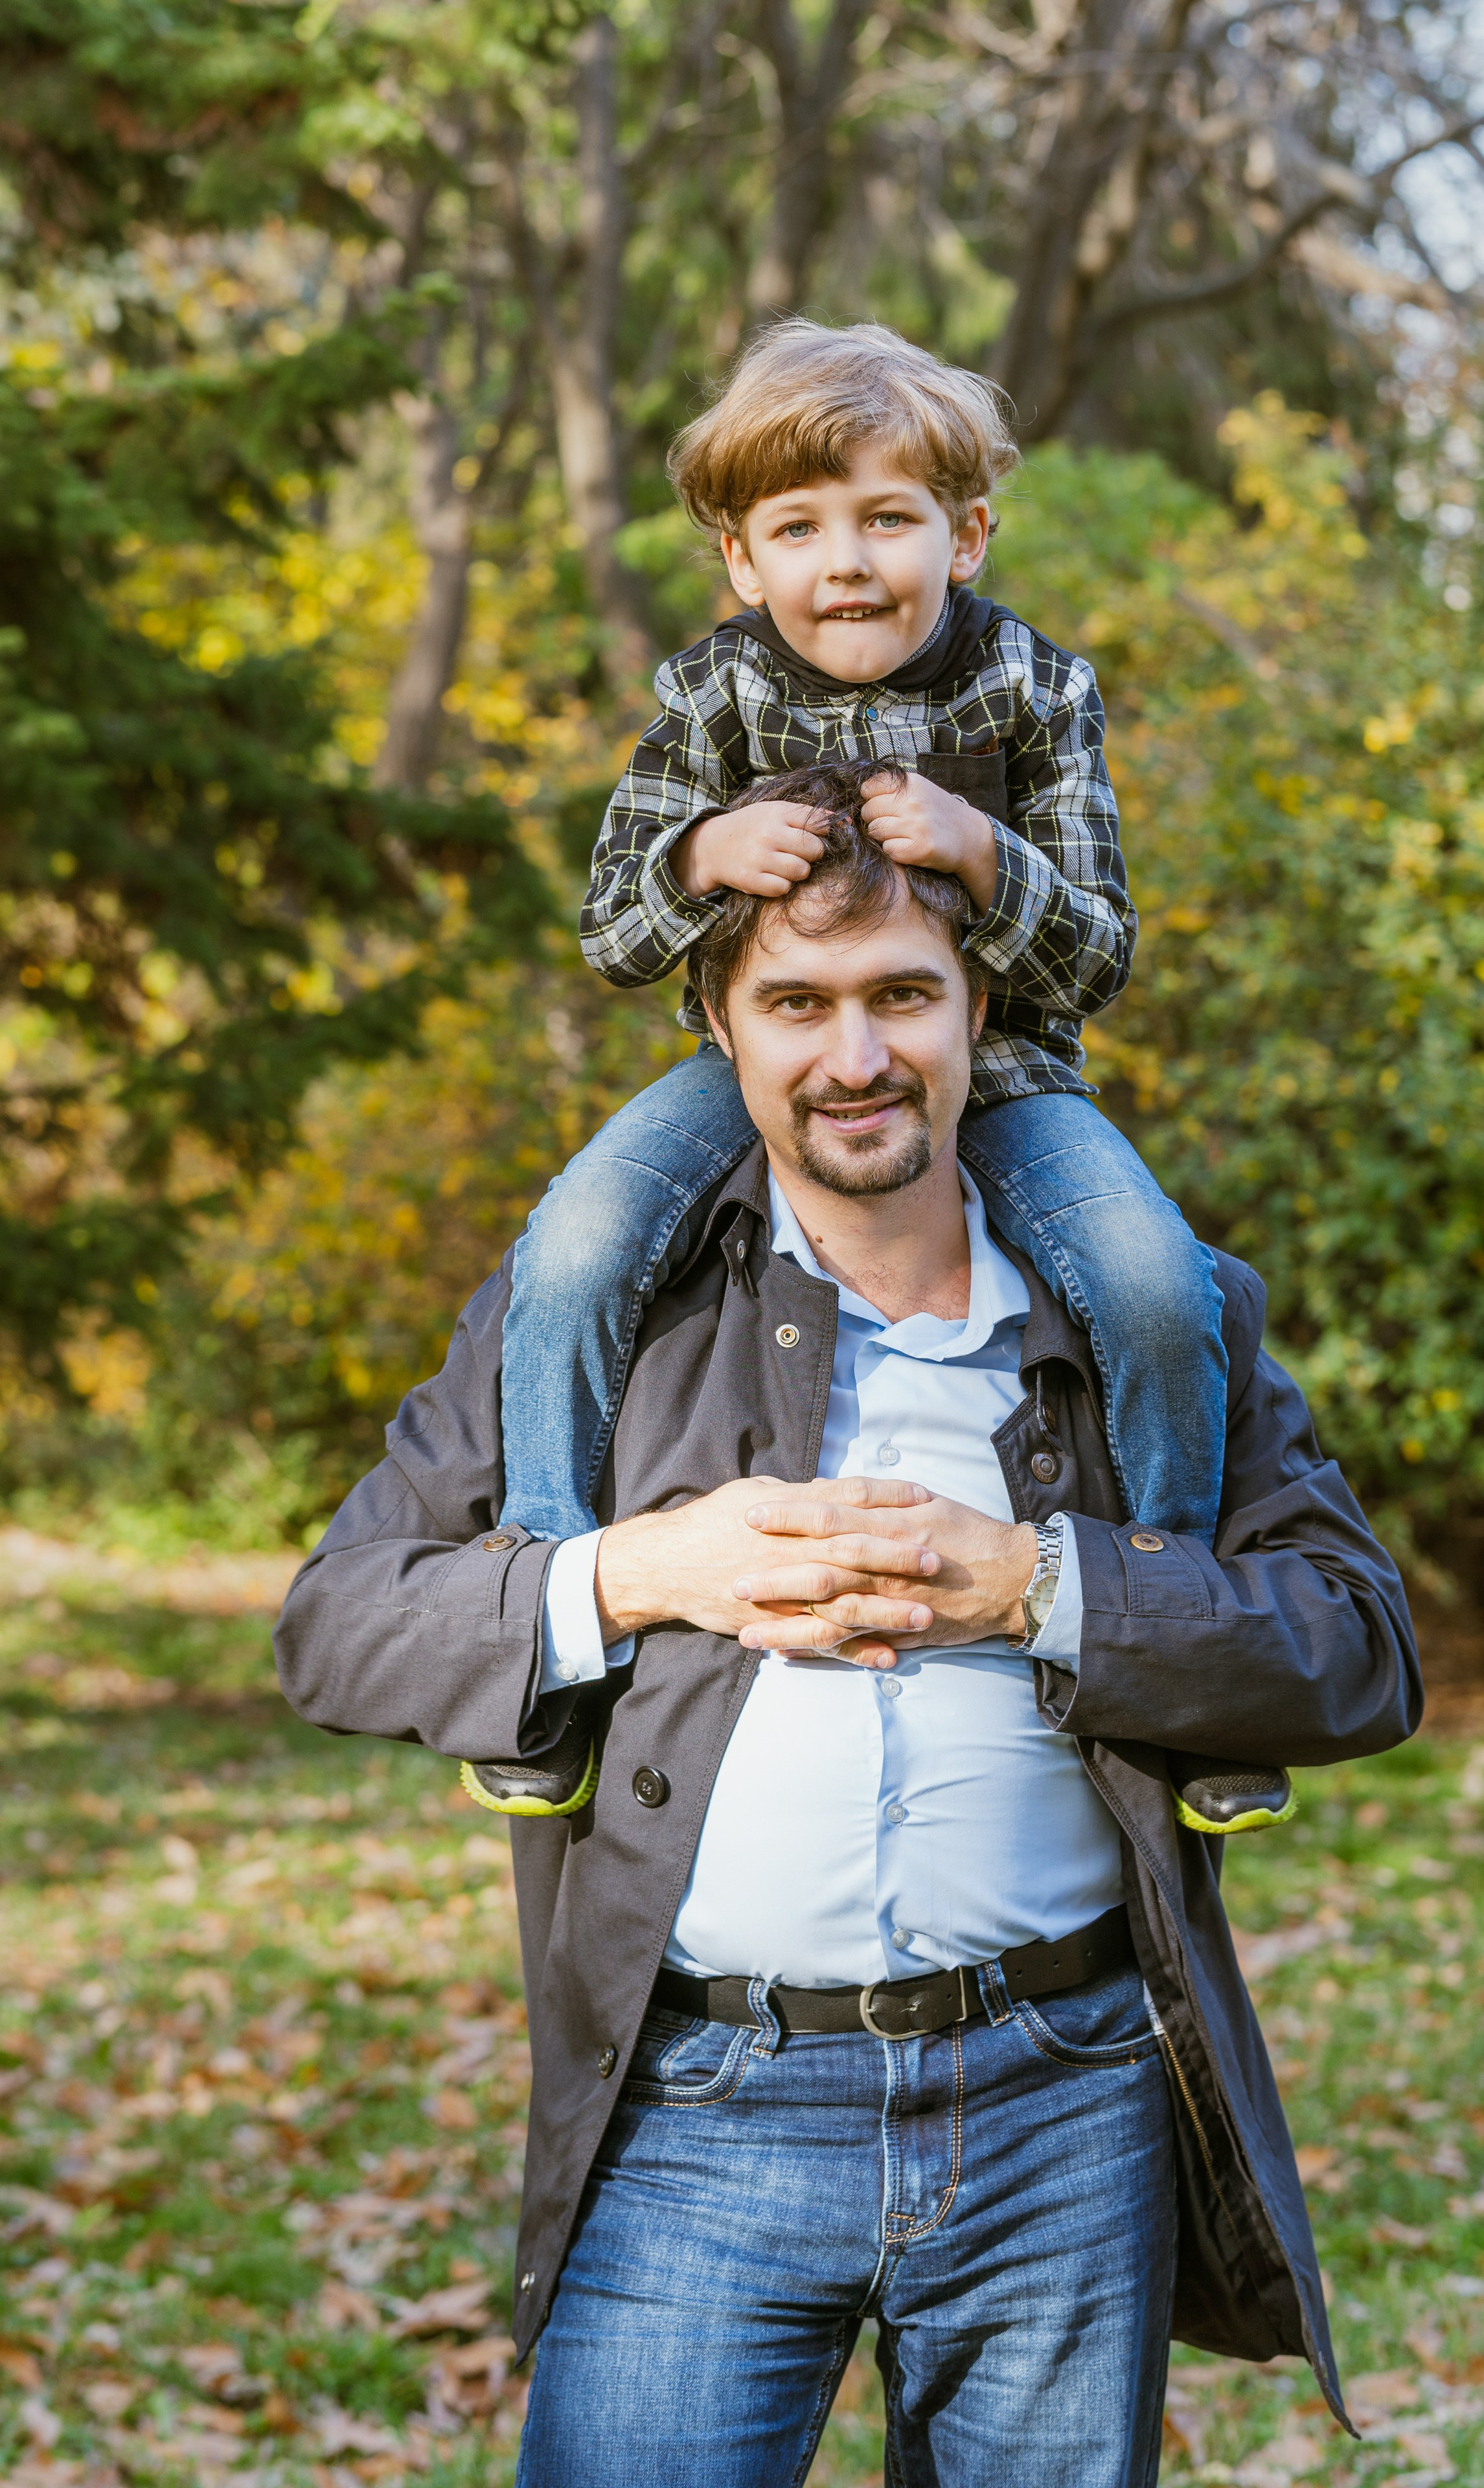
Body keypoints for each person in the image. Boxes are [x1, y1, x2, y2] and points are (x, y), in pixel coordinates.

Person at [274, 816, 1421, 2487]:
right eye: (798, 1004)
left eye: (903, 994)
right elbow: (338, 1623)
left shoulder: (1153, 1311)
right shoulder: (587, 1325)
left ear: (979, 1017)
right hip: (693, 2107)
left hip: (1065, 2104)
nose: (857, 1055)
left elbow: (1359, 1646)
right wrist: (640, 1567)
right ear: (722, 1030)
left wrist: (1034, 1585)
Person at [475, 315, 1290, 1834]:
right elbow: (608, 929)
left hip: (1015, 1073)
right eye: (797, 527)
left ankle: (1176, 1642)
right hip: (753, 1077)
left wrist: (986, 857)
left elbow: (1098, 957)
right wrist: (703, 851)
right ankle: (545, 1620)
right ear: (740, 559)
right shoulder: (709, 701)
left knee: (1154, 1284)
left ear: (964, 533)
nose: (843, 559)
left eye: (886, 517)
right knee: (574, 1245)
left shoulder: (1034, 694)